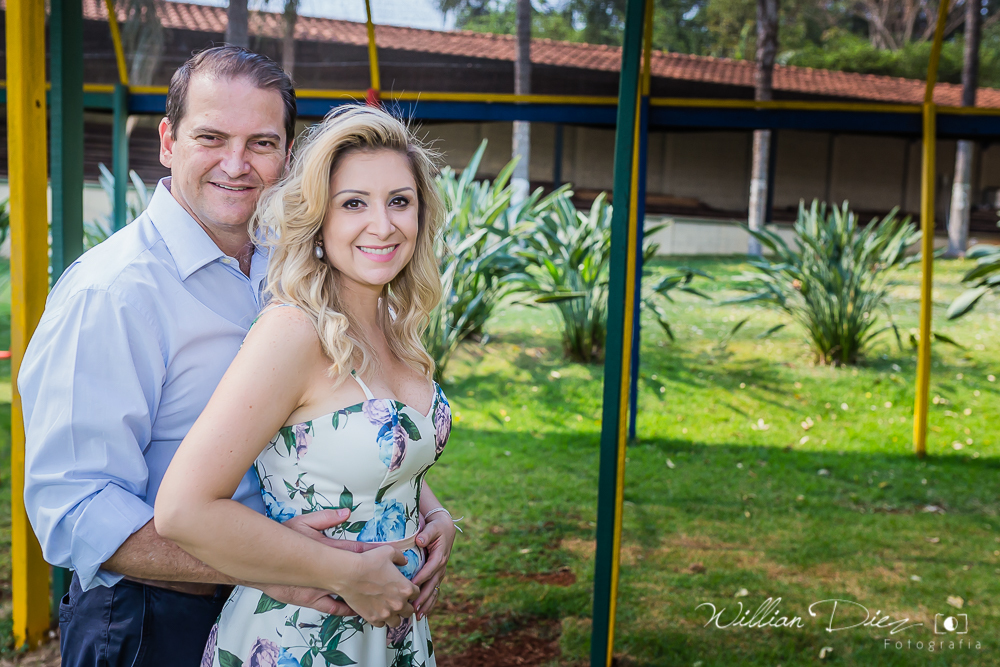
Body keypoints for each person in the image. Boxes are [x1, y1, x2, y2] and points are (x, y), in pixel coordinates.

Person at [19, 47, 455, 667]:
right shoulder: (111, 293)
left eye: (261, 143)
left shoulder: (297, 265)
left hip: (306, 605)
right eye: (211, 137)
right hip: (151, 619)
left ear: (289, 156)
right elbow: (73, 510)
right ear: (168, 141)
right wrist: (277, 566)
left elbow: (330, 425)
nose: (235, 164)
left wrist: (425, 510)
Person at [154, 104, 454, 667]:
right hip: (300, 635)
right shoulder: (293, 332)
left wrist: (434, 517)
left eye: (399, 201)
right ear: (317, 218)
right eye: (354, 203)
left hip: (394, 633)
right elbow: (181, 510)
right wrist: (346, 573)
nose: (383, 225)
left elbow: (363, 455)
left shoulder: (394, 326)